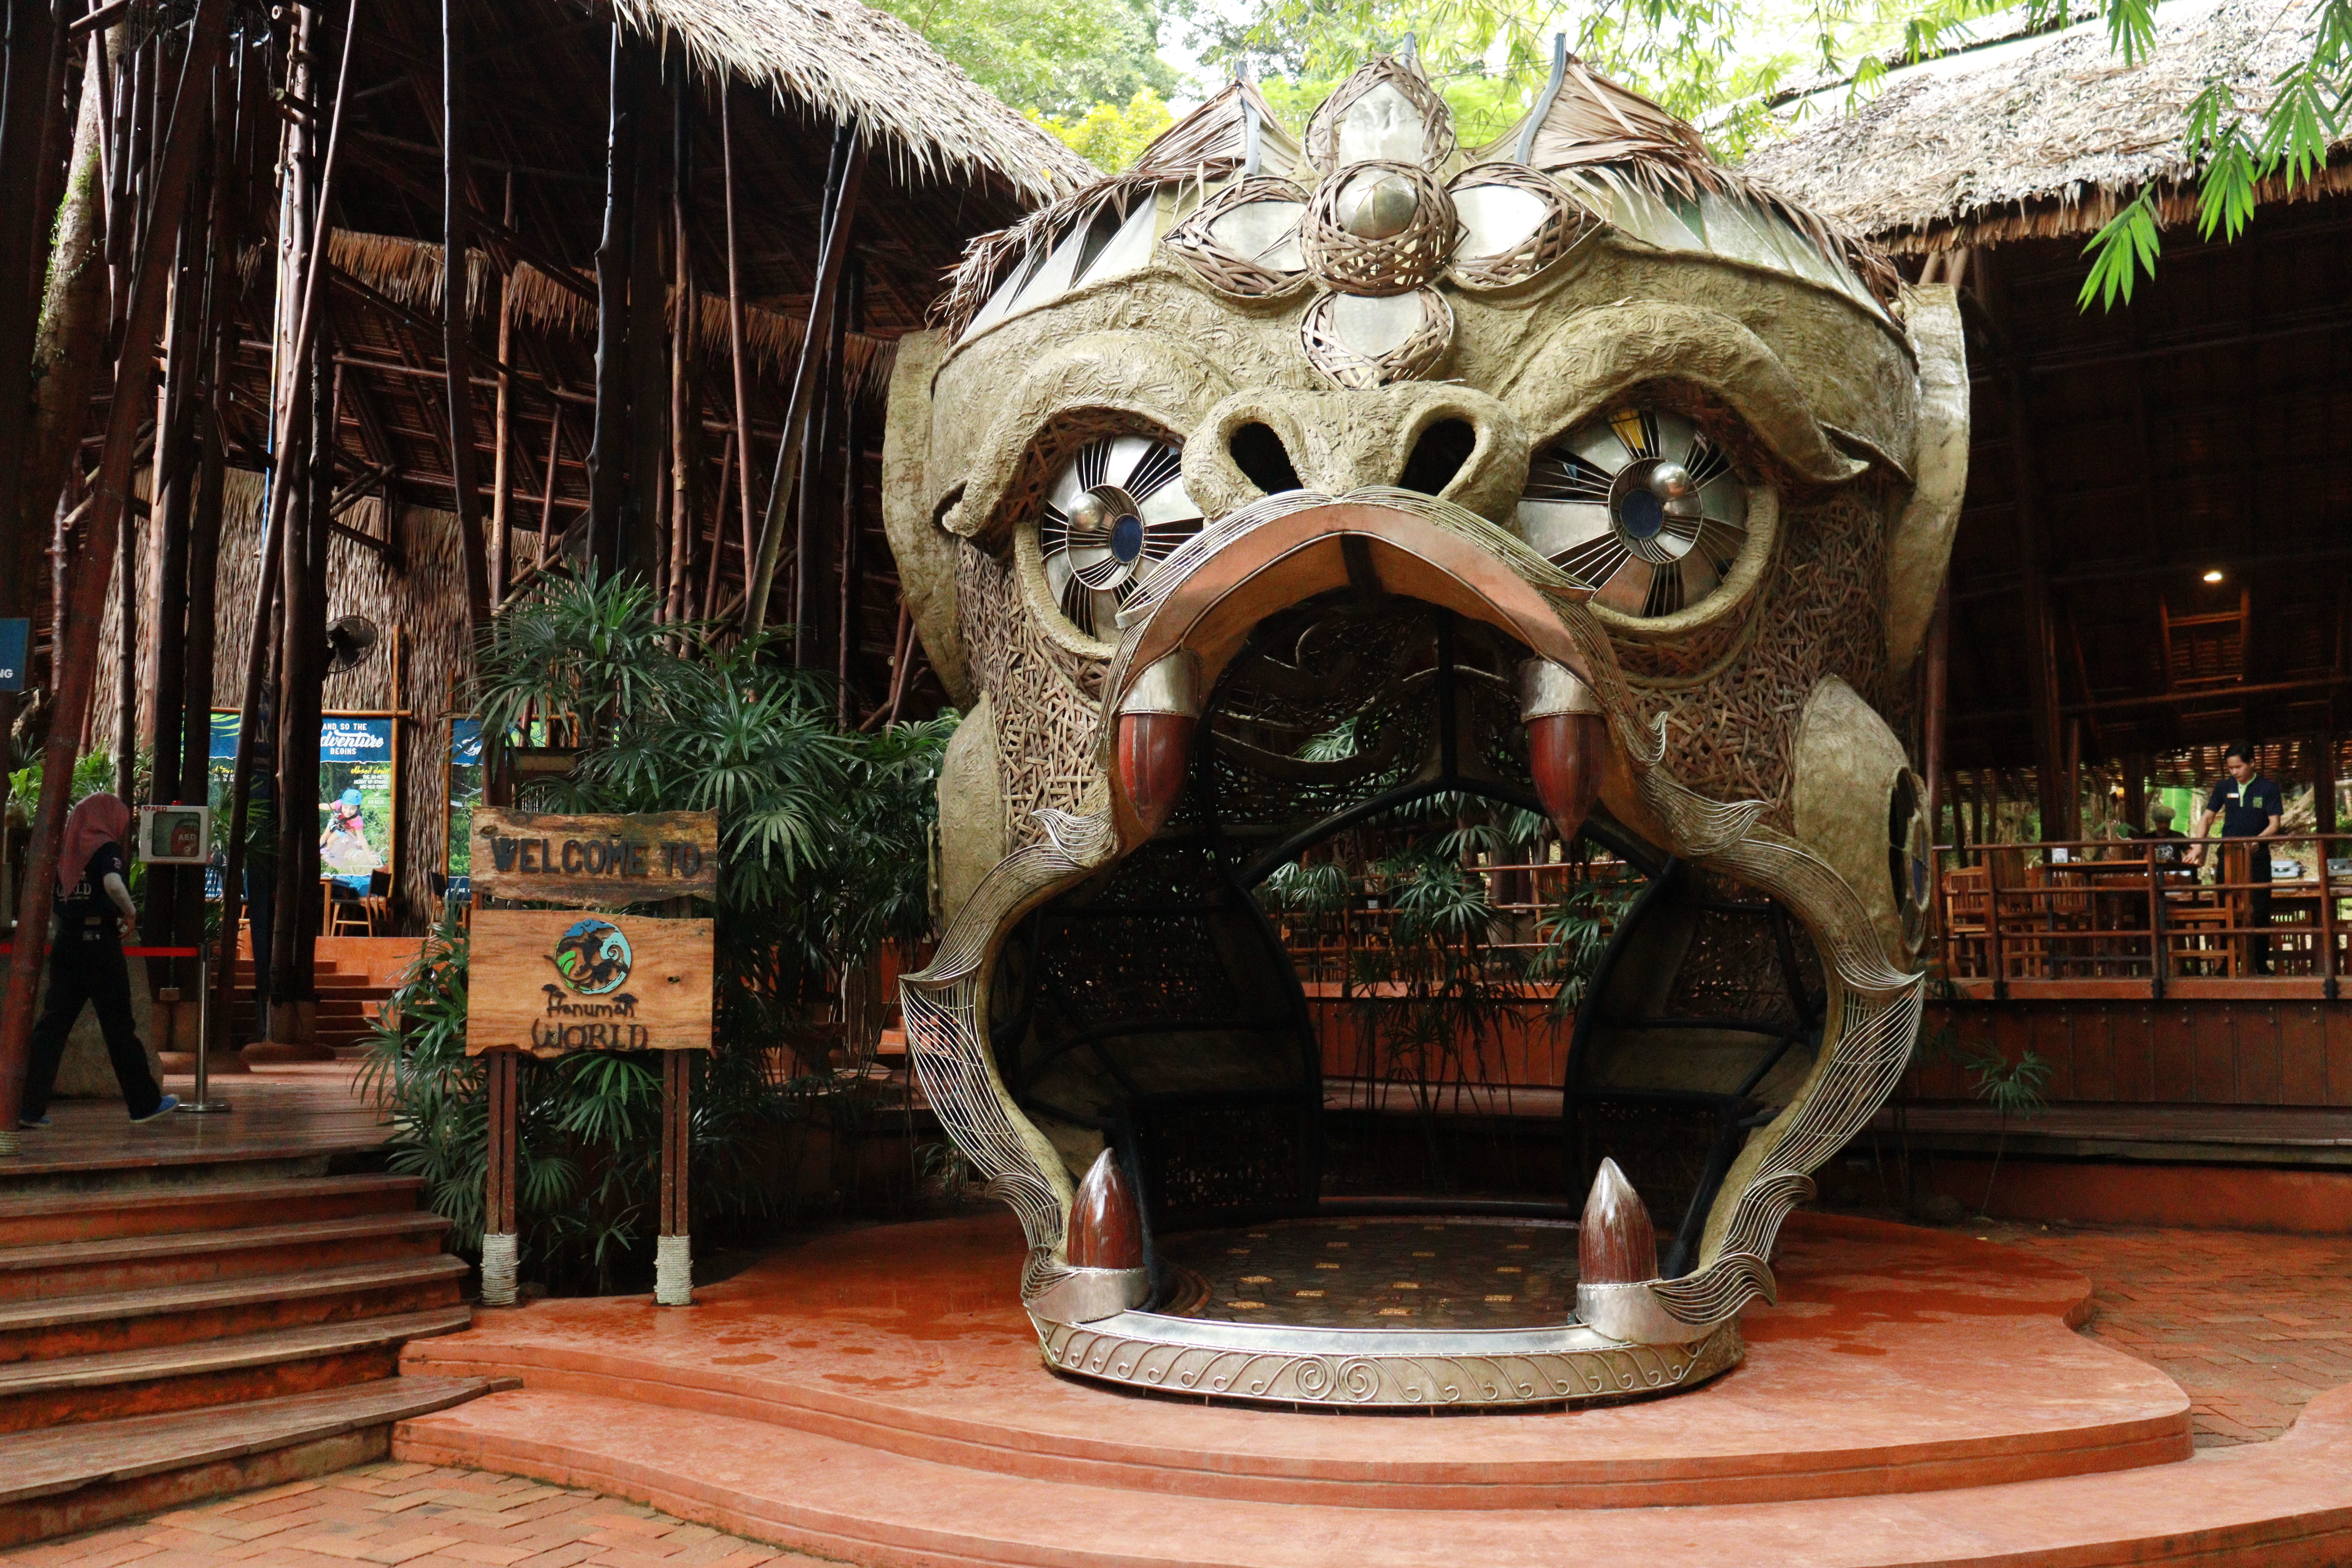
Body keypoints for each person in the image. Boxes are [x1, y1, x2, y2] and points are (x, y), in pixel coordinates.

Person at [18, 794, 178, 1127]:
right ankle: (144, 1104)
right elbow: (112, 883)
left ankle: (27, 1107)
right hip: (99, 946)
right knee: (120, 1027)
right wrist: (130, 913)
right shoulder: (104, 848)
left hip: (67, 945)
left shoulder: (67, 853)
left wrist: (66, 931)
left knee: (51, 1027)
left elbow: (53, 907)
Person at [2192, 746, 2284, 975]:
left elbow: (2275, 824)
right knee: (2227, 908)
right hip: (2229, 855)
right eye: (2230, 768)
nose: (2234, 772)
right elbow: (2208, 817)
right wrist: (2197, 844)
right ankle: (2226, 963)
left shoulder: (2268, 788)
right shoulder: (2224, 787)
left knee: (2260, 909)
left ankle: (2261, 963)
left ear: (2252, 762)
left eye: (2239, 767)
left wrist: (2257, 841)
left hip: (2258, 856)